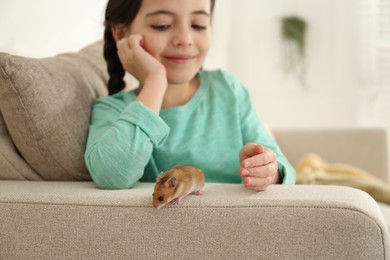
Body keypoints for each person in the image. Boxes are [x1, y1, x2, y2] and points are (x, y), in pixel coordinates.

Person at [84, 0, 296, 190]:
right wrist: (156, 79)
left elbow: (284, 169)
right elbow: (112, 177)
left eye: (198, 25)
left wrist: (269, 171)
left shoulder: (229, 89)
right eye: (162, 25)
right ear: (122, 34)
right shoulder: (112, 111)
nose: (185, 39)